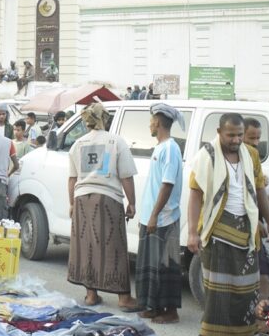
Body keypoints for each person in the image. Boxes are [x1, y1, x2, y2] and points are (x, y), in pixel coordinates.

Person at [187, 112, 269, 336]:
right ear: (219, 133)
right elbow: (195, 194)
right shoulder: (206, 156)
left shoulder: (251, 155)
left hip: (246, 230)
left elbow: (259, 189)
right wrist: (192, 233)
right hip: (217, 230)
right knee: (219, 292)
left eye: (240, 135)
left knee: (248, 290)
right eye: (231, 135)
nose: (237, 139)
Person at [67, 103, 140, 311]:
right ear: (105, 119)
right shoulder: (115, 141)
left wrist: (72, 203)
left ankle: (91, 295)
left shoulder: (77, 144)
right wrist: (132, 202)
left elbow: (72, 178)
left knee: (87, 245)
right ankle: (124, 298)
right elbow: (126, 176)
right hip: (108, 198)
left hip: (81, 198)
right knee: (114, 247)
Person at [135, 103, 185, 323]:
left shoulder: (170, 149)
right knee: (150, 264)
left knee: (166, 265)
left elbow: (167, 184)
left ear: (157, 122)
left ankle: (170, 311)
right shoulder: (160, 147)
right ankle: (151, 306)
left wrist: (155, 215)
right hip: (151, 217)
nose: (149, 126)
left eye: (150, 122)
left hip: (164, 218)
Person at [243, 117, 269, 299]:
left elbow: (258, 189)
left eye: (258, 139)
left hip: (255, 224)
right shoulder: (239, 157)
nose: (255, 143)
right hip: (245, 225)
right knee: (260, 272)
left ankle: (264, 313)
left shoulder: (254, 157)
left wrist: (268, 218)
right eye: (251, 138)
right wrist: (256, 222)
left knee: (262, 271)